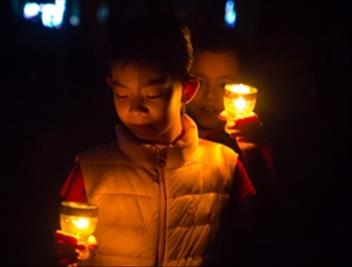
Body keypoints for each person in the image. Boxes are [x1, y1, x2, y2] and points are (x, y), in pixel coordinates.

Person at [54, 13, 258, 267]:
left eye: (152, 95)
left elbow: (261, 239)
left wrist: (256, 149)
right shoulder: (91, 170)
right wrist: (71, 258)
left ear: (187, 90)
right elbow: (62, 248)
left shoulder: (224, 166)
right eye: (122, 94)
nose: (135, 109)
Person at [186, 23, 280, 265]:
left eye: (224, 85)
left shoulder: (248, 141)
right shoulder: (167, 135)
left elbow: (268, 207)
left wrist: (250, 147)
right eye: (199, 81)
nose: (209, 96)